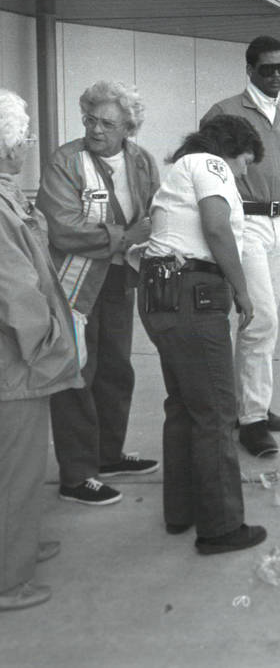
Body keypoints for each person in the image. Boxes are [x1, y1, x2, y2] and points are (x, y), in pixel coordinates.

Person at [138, 114, 268, 554]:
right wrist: (242, 289)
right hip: (194, 290)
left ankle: (182, 511)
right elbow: (215, 227)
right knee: (215, 411)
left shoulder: (177, 171)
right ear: (233, 147)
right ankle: (221, 527)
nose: (245, 171)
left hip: (159, 289)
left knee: (183, 405)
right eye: (247, 160)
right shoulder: (210, 164)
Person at [201, 35, 280, 457]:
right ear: (250, 70)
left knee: (265, 320)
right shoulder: (225, 113)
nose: (275, 75)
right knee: (260, 319)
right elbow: (207, 171)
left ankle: (253, 404)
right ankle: (251, 420)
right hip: (244, 223)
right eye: (267, 69)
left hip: (277, 225)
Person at [37, 79, 160, 506]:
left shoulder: (141, 161)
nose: (95, 130)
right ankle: (77, 475)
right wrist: (125, 237)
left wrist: (136, 241)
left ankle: (108, 455)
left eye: (107, 123)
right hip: (75, 282)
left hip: (121, 279)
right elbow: (64, 228)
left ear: (129, 126)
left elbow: (153, 213)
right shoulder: (65, 162)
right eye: (90, 119)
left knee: (116, 368)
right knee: (77, 376)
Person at [0, 89, 84, 611]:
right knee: (18, 470)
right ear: (8, 146)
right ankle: (10, 577)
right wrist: (52, 346)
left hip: (14, 363)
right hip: (14, 367)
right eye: (25, 137)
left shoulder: (8, 196)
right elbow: (17, 292)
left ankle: (19, 541)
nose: (28, 146)